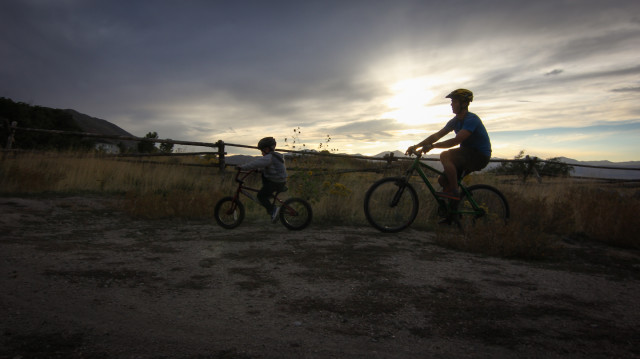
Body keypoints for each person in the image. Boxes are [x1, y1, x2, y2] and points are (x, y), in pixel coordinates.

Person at [405, 89, 491, 201]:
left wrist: (433, 146)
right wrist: (416, 146)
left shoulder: (471, 119)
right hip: (467, 154)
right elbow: (437, 135)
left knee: (445, 155)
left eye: (454, 101)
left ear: (464, 103)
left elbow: (457, 140)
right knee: (443, 180)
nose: (451, 104)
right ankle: (453, 212)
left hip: (479, 155)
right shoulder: (455, 121)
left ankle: (455, 193)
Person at [238, 136, 287, 222]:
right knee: (264, 192)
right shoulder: (275, 156)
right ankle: (272, 209)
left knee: (260, 196)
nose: (262, 153)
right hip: (280, 181)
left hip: (275, 182)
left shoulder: (269, 157)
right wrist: (259, 170)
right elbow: (270, 168)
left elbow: (256, 163)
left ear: (267, 149)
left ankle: (273, 210)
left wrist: (242, 167)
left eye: (262, 150)